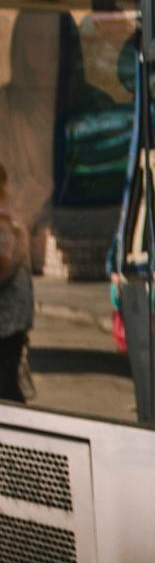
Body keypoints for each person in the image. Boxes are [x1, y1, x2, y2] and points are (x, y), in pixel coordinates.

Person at [0, 162, 32, 403]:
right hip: (12, 318)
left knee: (6, 387)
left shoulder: (5, 221)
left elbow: (3, 262)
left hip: (7, 320)